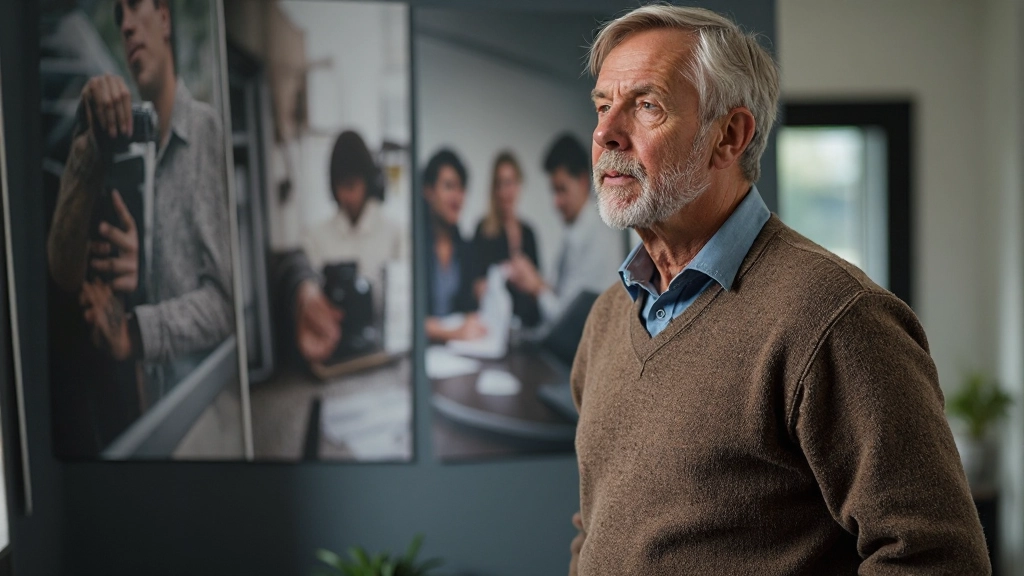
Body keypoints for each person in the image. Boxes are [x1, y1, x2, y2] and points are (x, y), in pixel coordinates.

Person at [568, 5, 989, 575]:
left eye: (647, 106)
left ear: (729, 136)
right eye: (602, 106)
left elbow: (934, 557)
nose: (605, 133)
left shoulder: (837, 317)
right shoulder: (606, 317)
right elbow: (594, 526)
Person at [47, 0, 232, 387]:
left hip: (203, 401)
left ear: (164, 19)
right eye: (118, 18)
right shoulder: (133, 153)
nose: (126, 26)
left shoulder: (204, 131)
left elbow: (224, 304)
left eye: (134, 7)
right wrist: (143, 274)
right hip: (157, 401)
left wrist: (133, 332)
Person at [505, 134, 624, 332]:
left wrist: (535, 286)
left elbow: (566, 321)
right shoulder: (578, 232)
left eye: (562, 190)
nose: (556, 202)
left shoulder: (597, 238)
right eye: (554, 191)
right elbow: (563, 297)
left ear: (583, 182)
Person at [471, 151, 541, 327]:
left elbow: (538, 286)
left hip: (528, 326)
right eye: (499, 184)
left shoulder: (529, 233)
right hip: (496, 326)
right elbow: (476, 286)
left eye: (509, 183)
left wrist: (527, 279)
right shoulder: (484, 231)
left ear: (518, 184)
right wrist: (501, 275)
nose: (504, 192)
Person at [423, 149, 485, 343]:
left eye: (461, 188)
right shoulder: (414, 247)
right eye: (449, 186)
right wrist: (451, 333)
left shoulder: (467, 249)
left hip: (457, 353)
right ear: (429, 191)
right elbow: (409, 319)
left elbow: (469, 311)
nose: (457, 197)